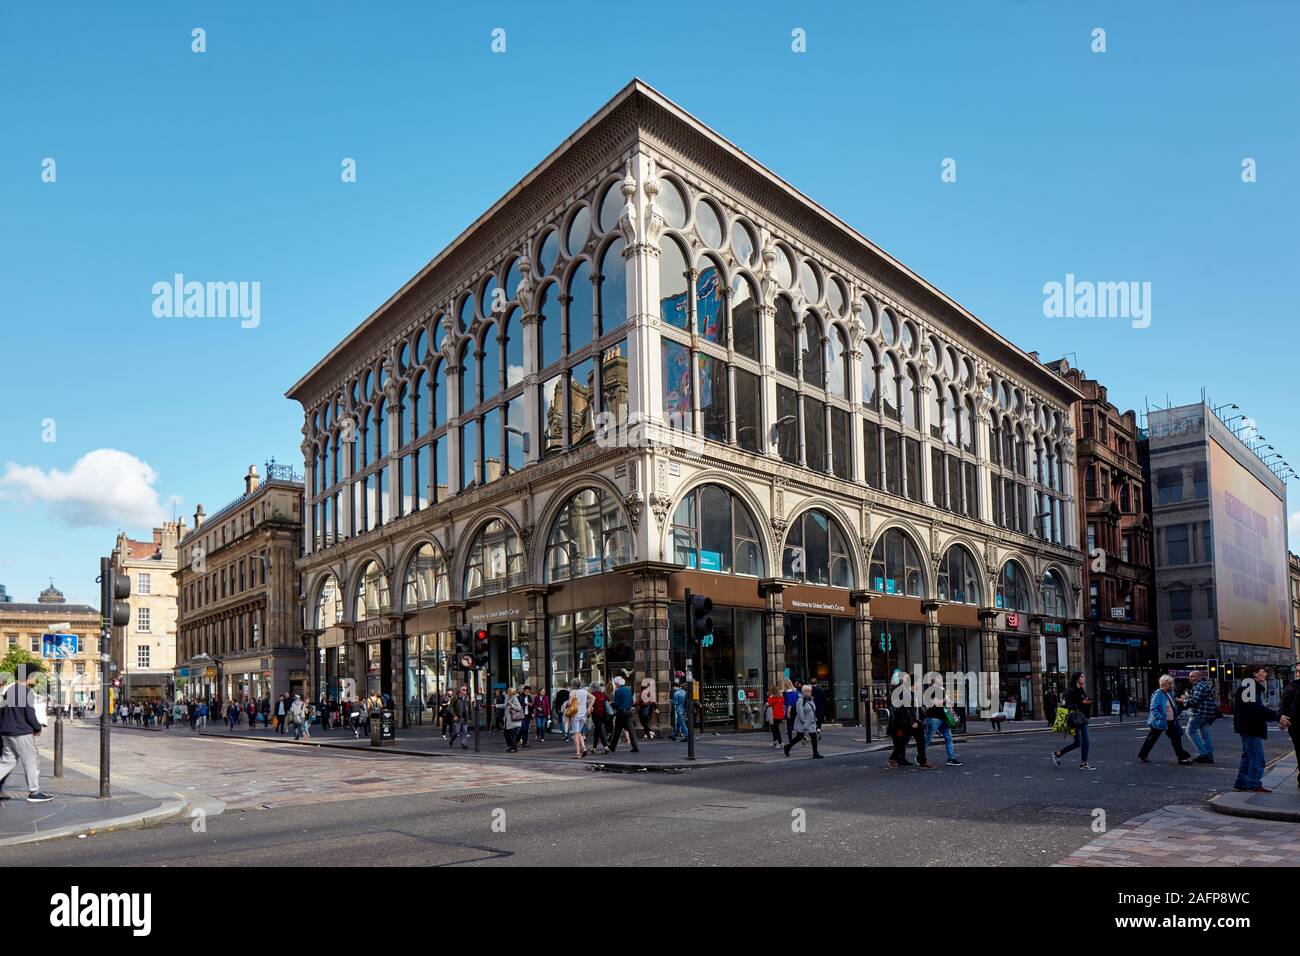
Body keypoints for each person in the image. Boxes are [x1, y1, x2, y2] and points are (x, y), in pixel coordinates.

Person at [0, 665, 52, 802]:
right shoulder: (26, 691)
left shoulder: (9, 689)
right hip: (21, 732)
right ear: (29, 676)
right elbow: (29, 714)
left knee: (7, 762)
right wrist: (37, 727)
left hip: (6, 731)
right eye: (35, 675)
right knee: (31, 761)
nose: (36, 678)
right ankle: (34, 792)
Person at [1232, 665, 1281, 793]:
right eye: (1262, 672)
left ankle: (1241, 782)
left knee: (1248, 756)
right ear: (1255, 674)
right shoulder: (1250, 687)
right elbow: (1256, 709)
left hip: (1247, 726)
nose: (1265, 674)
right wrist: (1277, 716)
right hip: (1250, 727)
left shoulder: (1249, 686)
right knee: (1257, 758)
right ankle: (1254, 784)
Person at [1138, 675, 1194, 764]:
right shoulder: (1158, 694)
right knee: (1152, 739)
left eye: (1171, 683)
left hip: (1171, 721)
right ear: (1163, 684)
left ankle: (1181, 758)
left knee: (1176, 739)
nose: (1171, 685)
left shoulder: (1169, 693)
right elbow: (1153, 708)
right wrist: (1159, 718)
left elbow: (1173, 705)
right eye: (1169, 683)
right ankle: (1143, 755)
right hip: (1161, 721)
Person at [1051, 672, 1097, 770]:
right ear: (1077, 679)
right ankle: (1084, 763)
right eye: (1082, 677)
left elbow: (1082, 704)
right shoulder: (1070, 691)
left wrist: (1088, 703)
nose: (1084, 678)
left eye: (1084, 676)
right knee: (1086, 740)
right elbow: (1065, 706)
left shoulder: (1081, 690)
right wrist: (1082, 703)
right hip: (1074, 719)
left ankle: (1058, 754)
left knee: (1078, 742)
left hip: (1081, 718)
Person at [886, 676, 932, 769]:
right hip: (908, 723)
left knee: (921, 741)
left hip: (916, 722)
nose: (919, 684)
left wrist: (922, 718)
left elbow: (916, 708)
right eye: (918, 682)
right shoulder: (905, 693)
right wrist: (912, 722)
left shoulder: (912, 693)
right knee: (903, 743)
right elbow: (906, 709)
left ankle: (923, 761)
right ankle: (892, 758)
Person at [923, 675, 962, 767]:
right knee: (928, 738)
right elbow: (935, 703)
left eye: (941, 678)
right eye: (939, 678)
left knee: (948, 738)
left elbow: (948, 703)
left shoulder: (941, 690)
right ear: (933, 680)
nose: (941, 679)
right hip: (934, 718)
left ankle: (951, 758)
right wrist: (945, 698)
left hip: (944, 717)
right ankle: (920, 756)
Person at [1183, 669, 1219, 764]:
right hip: (1209, 714)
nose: (1190, 678)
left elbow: (1194, 702)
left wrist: (1183, 700)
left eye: (1192, 676)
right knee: (1204, 734)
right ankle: (1209, 754)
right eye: (1189, 676)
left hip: (1200, 713)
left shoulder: (1199, 686)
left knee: (1190, 731)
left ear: (1198, 677)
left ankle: (1202, 753)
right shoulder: (1205, 685)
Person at [783, 684, 823, 758]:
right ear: (804, 692)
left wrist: (814, 719)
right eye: (808, 691)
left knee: (813, 736)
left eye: (810, 691)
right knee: (799, 737)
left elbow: (813, 710)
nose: (810, 693)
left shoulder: (811, 700)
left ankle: (815, 753)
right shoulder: (800, 700)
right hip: (803, 723)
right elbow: (800, 712)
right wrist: (804, 721)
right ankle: (788, 747)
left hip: (811, 722)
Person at [605, 675, 639, 754]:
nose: (615, 685)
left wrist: (611, 704)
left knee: (617, 730)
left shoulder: (618, 691)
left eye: (615, 684)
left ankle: (612, 746)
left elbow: (617, 703)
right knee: (631, 730)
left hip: (621, 712)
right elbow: (631, 702)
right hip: (629, 712)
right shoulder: (628, 690)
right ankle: (635, 746)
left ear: (617, 684)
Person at [1279, 672, 1299, 789]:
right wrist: (1282, 718)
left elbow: (1284, 704)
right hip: (1296, 724)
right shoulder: (1293, 686)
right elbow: (1284, 704)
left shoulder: (1292, 686)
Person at [565, 678, 589, 758]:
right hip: (583, 715)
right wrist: (589, 708)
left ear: (573, 685)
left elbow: (569, 703)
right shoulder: (585, 691)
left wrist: (566, 706)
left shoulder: (573, 692)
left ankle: (578, 753)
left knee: (576, 734)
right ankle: (584, 748)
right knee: (579, 733)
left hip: (575, 715)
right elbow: (593, 698)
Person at [588, 682, 610, 752]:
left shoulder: (592, 695)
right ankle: (594, 747)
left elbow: (590, 705)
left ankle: (606, 746)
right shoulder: (603, 694)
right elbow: (609, 702)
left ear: (592, 688)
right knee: (597, 731)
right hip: (603, 714)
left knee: (599, 730)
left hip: (596, 714)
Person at [503, 688, 523, 752]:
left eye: (508, 691)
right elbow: (505, 705)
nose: (507, 692)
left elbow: (519, 708)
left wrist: (511, 705)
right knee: (506, 733)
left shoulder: (515, 698)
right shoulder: (509, 698)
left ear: (511, 692)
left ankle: (514, 748)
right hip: (508, 720)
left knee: (512, 734)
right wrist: (496, 706)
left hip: (513, 720)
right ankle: (511, 746)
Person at [782, 678, 798, 744]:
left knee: (789, 725)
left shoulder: (787, 693)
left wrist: (788, 712)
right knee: (793, 723)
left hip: (790, 709)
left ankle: (790, 740)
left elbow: (789, 703)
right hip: (795, 708)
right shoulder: (795, 691)